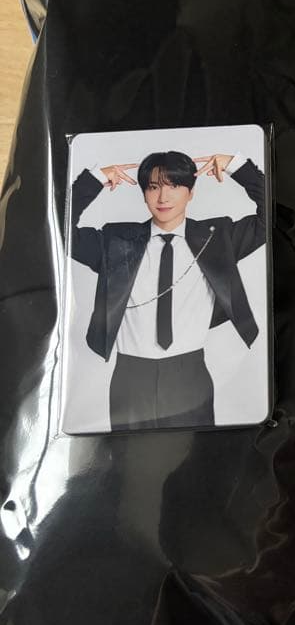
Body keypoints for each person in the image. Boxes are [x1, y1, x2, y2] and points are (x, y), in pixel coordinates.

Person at [70, 149, 266, 430]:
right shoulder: (116, 240)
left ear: (191, 192)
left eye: (174, 186)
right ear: (144, 194)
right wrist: (93, 180)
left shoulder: (217, 238)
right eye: (153, 187)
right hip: (131, 376)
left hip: (190, 373)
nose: (163, 197)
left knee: (194, 456)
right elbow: (56, 229)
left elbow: (272, 217)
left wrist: (237, 166)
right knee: (129, 456)